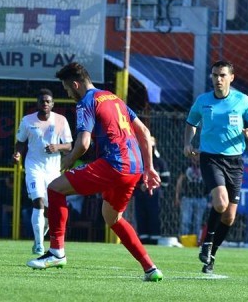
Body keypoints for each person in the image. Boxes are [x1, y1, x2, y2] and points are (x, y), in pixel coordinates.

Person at [26, 62, 163, 282]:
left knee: (55, 188)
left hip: (115, 163)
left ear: (75, 84)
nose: (68, 94)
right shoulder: (113, 98)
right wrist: (149, 167)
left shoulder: (86, 102)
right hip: (134, 167)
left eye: (67, 89)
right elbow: (145, 132)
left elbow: (83, 143)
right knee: (112, 217)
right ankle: (150, 268)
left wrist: (67, 161)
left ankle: (56, 252)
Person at [183, 60, 248, 274]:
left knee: (229, 216)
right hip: (210, 158)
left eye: (222, 75)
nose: (218, 79)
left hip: (235, 161)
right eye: (215, 75)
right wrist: (188, 142)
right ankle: (207, 242)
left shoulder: (242, 100)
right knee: (220, 202)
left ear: (231, 78)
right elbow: (191, 123)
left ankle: (211, 255)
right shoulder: (203, 101)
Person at [13, 89, 73, 255]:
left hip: (53, 170)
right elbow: (20, 142)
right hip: (34, 167)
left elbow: (69, 146)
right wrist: (17, 153)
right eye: (42, 101)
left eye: (48, 101)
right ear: (37, 103)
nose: (45, 104)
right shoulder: (27, 121)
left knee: (49, 210)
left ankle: (39, 237)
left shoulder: (61, 120)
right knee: (38, 202)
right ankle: (39, 245)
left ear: (52, 104)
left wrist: (57, 147)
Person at [132, 136, 171, 245]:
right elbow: (132, 178)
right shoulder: (138, 162)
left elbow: (166, 180)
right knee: (141, 217)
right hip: (140, 195)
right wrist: (140, 187)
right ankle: (143, 240)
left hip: (155, 196)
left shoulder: (160, 162)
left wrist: (156, 188)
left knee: (154, 217)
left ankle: (154, 240)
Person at [175, 155, 206, 239]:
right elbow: (180, 181)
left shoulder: (205, 165)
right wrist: (177, 196)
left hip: (201, 198)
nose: (196, 156)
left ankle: (196, 241)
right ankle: (184, 239)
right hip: (187, 197)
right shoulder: (186, 165)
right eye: (194, 154)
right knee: (185, 221)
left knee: (198, 222)